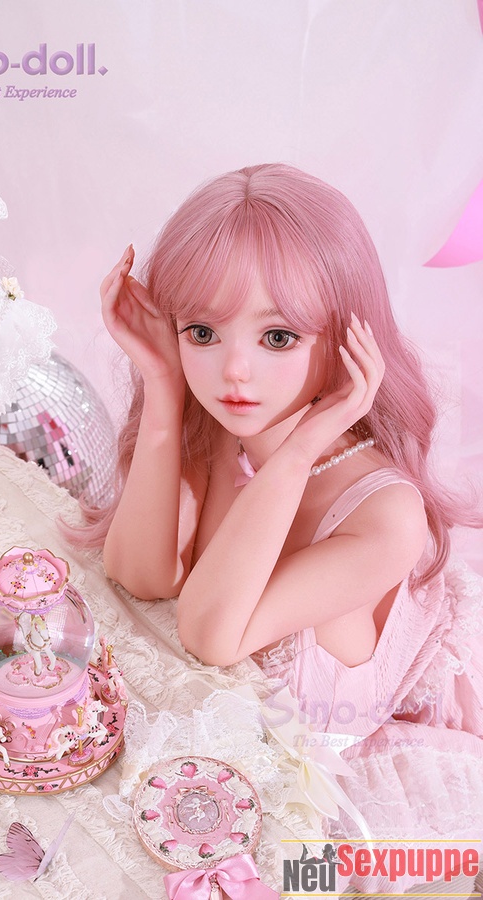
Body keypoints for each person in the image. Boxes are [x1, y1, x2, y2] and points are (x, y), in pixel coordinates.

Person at [68, 164, 482, 885]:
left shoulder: (385, 517)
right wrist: (163, 384)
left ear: (350, 338)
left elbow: (211, 632)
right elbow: (140, 574)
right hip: (217, 763)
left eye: (279, 337)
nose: (235, 371)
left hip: (341, 804)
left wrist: (296, 453)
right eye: (202, 331)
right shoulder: (222, 438)